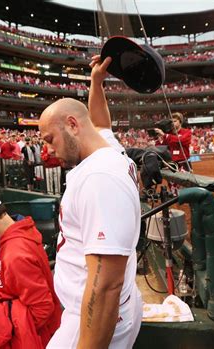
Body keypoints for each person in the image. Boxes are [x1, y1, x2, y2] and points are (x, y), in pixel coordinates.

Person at [39, 97, 142, 348]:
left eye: (50, 139)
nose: (48, 150)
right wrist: (97, 81)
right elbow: (101, 121)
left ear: (73, 125)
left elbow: (106, 286)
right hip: (112, 307)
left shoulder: (100, 177)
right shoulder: (107, 149)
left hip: (91, 319)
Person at [0, 192, 62, 347]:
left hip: (41, 337)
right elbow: (12, 288)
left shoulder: (15, 253)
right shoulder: (18, 234)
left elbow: (42, 309)